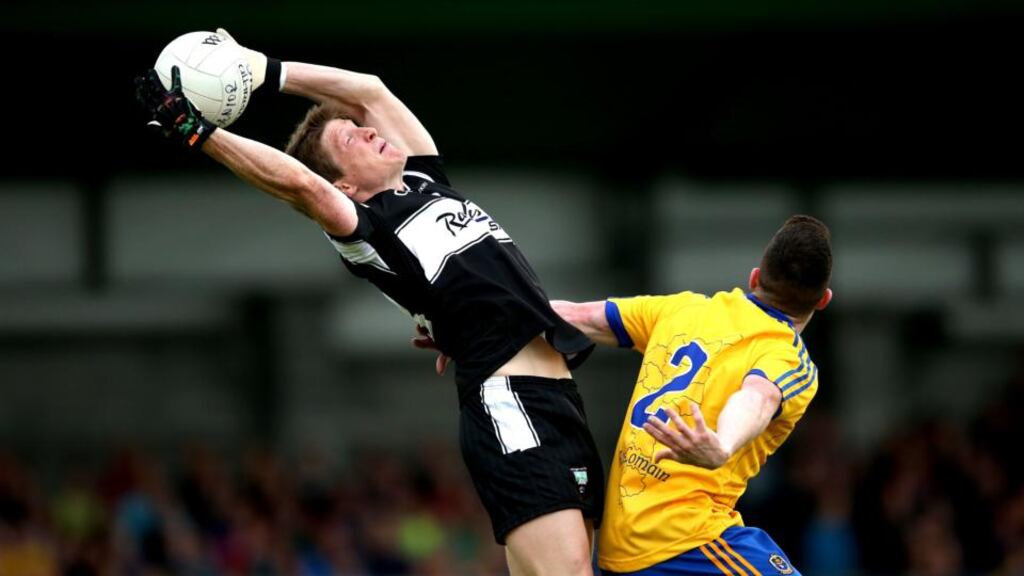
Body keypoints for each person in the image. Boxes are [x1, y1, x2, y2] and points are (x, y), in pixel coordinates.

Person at [134, 30, 604, 576]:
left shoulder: (426, 180)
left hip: (558, 402)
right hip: (511, 404)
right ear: (346, 186)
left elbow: (370, 91)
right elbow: (302, 188)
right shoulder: (370, 228)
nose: (367, 130)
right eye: (350, 140)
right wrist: (198, 132)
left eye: (359, 129)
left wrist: (263, 69)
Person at [551, 215, 833, 575]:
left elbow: (575, 316)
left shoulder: (683, 309)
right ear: (823, 300)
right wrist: (723, 444)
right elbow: (759, 396)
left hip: (621, 546)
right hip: (684, 541)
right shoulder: (788, 356)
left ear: (755, 278)